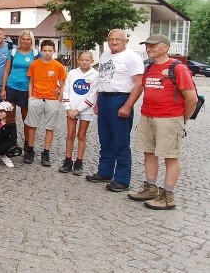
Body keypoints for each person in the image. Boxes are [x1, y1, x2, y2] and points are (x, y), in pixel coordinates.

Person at [128, 34, 198, 210]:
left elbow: (192, 99)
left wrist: (182, 120)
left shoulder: (178, 68)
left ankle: (168, 196)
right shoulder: (150, 67)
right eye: (147, 46)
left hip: (169, 118)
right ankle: (151, 188)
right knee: (149, 152)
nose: (148, 48)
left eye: (153, 45)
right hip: (148, 116)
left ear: (165, 47)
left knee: (170, 156)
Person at [86, 29, 144, 193]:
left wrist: (127, 106)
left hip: (120, 99)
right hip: (104, 99)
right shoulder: (105, 55)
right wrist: (98, 100)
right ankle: (105, 172)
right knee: (105, 139)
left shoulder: (132, 58)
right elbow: (102, 78)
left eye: (118, 39)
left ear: (126, 41)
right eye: (111, 39)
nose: (114, 41)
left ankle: (122, 179)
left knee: (120, 141)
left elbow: (139, 84)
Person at [23, 40, 66, 166]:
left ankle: (46, 152)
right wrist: (30, 98)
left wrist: (59, 100)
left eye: (50, 51)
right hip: (36, 97)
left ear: (54, 51)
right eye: (45, 50)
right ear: (41, 50)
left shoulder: (58, 66)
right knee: (32, 125)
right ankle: (30, 150)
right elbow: (31, 82)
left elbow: (63, 84)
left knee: (49, 127)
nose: (47, 53)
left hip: (52, 99)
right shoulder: (34, 64)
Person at [60, 51, 98, 175]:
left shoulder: (95, 75)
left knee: (81, 135)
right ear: (78, 60)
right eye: (82, 59)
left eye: (87, 60)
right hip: (71, 108)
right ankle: (68, 160)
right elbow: (66, 90)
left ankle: (79, 161)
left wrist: (79, 109)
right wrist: (68, 107)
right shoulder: (72, 73)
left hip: (85, 110)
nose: (84, 62)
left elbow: (93, 95)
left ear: (91, 61)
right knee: (70, 134)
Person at [1, 30, 39, 155]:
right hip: (12, 86)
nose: (25, 41)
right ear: (20, 40)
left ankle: (28, 144)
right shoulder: (12, 52)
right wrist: (3, 88)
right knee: (10, 118)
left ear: (31, 41)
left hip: (27, 89)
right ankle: (11, 143)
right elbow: (6, 70)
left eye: (28, 39)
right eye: (23, 39)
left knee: (26, 118)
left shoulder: (36, 54)